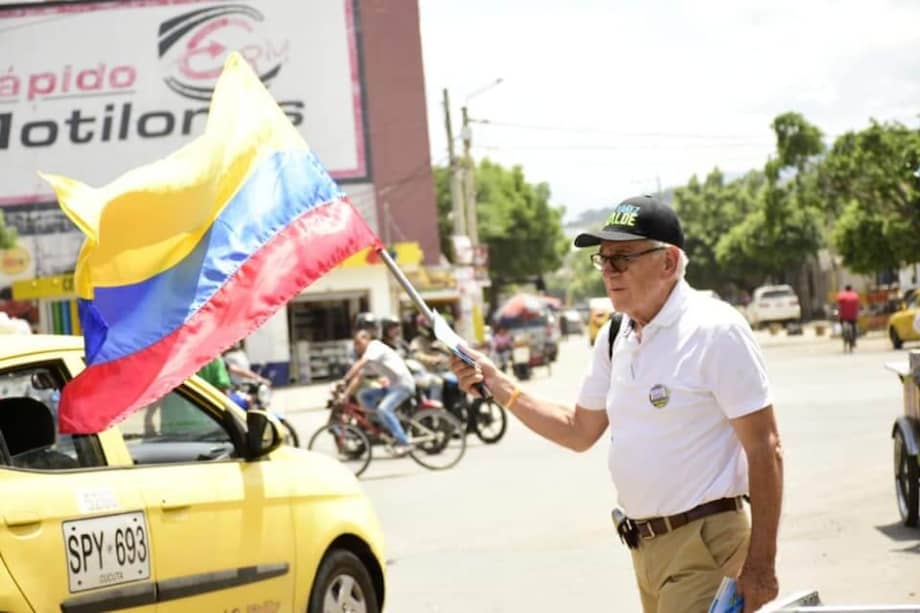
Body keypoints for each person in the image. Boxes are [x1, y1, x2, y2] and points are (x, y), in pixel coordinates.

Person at [449, 195, 783, 613]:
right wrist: (497, 383)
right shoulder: (616, 336)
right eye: (603, 259)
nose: (608, 271)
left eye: (622, 258)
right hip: (645, 550)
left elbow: (765, 447)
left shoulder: (715, 330)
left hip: (707, 545)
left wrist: (762, 567)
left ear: (668, 262)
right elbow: (577, 429)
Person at [342, 329, 414, 454]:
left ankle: (404, 442)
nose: (356, 347)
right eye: (355, 344)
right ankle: (382, 423)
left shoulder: (374, 347)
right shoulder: (371, 359)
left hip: (403, 385)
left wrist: (345, 379)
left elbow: (360, 364)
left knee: (383, 409)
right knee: (363, 395)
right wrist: (346, 394)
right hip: (391, 387)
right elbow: (359, 377)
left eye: (358, 343)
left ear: (366, 340)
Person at [836, 284, 860, 350]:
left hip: (843, 316)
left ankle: (843, 334)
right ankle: (854, 340)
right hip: (853, 316)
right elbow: (858, 304)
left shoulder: (841, 295)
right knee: (854, 327)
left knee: (842, 325)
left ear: (845, 289)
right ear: (851, 289)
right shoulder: (855, 295)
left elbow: (838, 303)